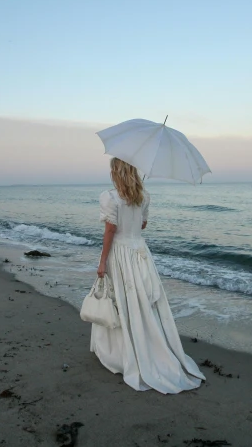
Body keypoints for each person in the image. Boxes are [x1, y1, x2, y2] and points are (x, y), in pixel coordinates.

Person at [90, 157, 205, 394]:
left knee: (122, 300)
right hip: (140, 253)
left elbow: (110, 231)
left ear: (116, 172)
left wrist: (102, 261)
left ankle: (121, 353)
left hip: (120, 253)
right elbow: (142, 227)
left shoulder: (110, 198)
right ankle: (150, 346)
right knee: (141, 302)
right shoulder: (144, 197)